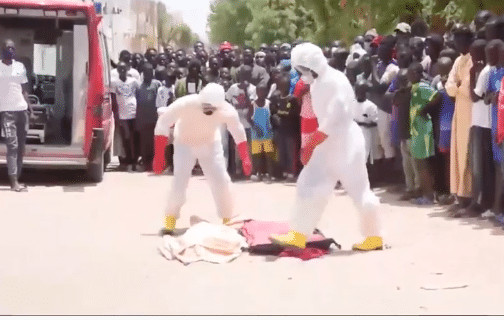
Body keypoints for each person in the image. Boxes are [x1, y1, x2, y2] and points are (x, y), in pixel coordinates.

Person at [269, 43, 382, 251]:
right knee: (308, 184)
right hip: (327, 143)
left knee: (359, 191)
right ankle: (298, 233)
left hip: (346, 144)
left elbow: (333, 120)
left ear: (310, 67)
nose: (300, 74)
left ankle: (373, 237)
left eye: (301, 69)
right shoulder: (318, 81)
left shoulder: (335, 82)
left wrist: (310, 145)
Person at [152, 83, 252, 232]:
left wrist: (245, 157)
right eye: (205, 106)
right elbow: (163, 123)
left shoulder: (227, 110)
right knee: (179, 183)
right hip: (184, 145)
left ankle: (227, 218)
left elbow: (238, 131)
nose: (208, 110)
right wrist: (159, 155)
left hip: (210, 145)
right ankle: (170, 220)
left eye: (212, 108)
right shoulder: (185, 103)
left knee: (221, 181)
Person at [459, 39, 495, 217]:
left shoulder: (483, 71)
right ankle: (480, 202)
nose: (472, 57)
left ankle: (481, 203)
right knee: (481, 165)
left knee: (480, 167)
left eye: (474, 53)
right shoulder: (488, 70)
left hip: (483, 123)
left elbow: (474, 96)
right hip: (481, 121)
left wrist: (473, 74)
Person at [445, 24, 475, 213]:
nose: (456, 44)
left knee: (467, 152)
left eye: (459, 40)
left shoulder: (475, 59)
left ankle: (470, 195)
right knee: (457, 151)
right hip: (459, 110)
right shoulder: (458, 60)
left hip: (471, 111)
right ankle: (460, 194)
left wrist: (457, 87)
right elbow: (449, 85)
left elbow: (468, 88)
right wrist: (457, 86)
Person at [0, 39, 34, 192]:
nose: (11, 50)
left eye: (13, 48)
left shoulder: (20, 67)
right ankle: (13, 183)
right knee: (12, 146)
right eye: (8, 47)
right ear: (2, 49)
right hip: (7, 112)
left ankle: (17, 180)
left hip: (22, 111)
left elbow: (24, 89)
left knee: (20, 147)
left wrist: (31, 109)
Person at [408, 62, 441, 205]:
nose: (409, 76)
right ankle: (426, 193)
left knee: (423, 165)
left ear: (416, 73)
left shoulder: (422, 86)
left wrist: (426, 109)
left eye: (410, 74)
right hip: (416, 130)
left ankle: (429, 196)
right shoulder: (414, 87)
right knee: (420, 164)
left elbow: (437, 96)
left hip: (423, 130)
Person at [225, 65, 257, 179]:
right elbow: (227, 100)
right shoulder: (233, 88)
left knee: (248, 147)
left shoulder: (252, 88)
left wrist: (245, 91)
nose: (244, 77)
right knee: (237, 148)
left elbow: (252, 104)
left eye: (247, 75)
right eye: (243, 75)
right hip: (236, 123)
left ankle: (248, 171)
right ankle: (238, 171)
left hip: (248, 123)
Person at [111, 62, 141, 172]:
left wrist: (139, 112)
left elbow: (139, 96)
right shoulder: (114, 83)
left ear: (127, 69)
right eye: (120, 69)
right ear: (118, 70)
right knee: (126, 139)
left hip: (134, 114)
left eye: (124, 68)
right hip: (123, 116)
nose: (122, 70)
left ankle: (134, 162)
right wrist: (116, 116)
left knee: (134, 138)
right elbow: (113, 100)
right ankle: (128, 162)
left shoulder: (134, 81)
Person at [135, 63, 162, 172]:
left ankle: (154, 163)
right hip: (142, 119)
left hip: (154, 119)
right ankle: (145, 163)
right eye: (146, 73)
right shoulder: (139, 86)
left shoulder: (156, 84)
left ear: (153, 73)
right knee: (144, 143)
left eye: (150, 73)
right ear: (143, 74)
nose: (148, 75)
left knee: (153, 142)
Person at [248, 86, 275, 183]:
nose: (261, 93)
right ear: (257, 92)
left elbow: (272, 116)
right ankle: (258, 173)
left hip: (267, 134)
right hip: (256, 135)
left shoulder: (268, 103)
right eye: (259, 91)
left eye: (263, 91)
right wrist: (255, 128)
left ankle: (270, 175)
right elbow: (248, 118)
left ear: (266, 92)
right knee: (257, 156)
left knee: (268, 156)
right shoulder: (253, 104)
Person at [353, 80, 379, 166]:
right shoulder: (352, 103)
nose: (358, 93)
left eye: (360, 91)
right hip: (353, 134)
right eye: (357, 90)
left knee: (364, 156)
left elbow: (375, 122)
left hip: (365, 134)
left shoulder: (371, 106)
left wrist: (362, 124)